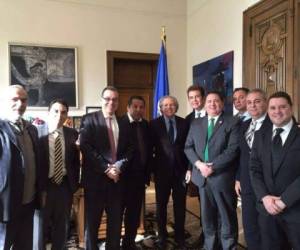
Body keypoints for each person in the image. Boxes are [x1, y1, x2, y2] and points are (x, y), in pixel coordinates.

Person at [80, 86, 133, 250]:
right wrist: (106, 168)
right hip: (95, 181)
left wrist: (118, 167)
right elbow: (86, 147)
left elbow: (130, 149)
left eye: (115, 99)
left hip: (117, 181)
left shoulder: (124, 122)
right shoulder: (89, 119)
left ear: (118, 102)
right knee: (93, 222)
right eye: (108, 99)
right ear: (101, 100)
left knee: (115, 223)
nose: (111, 102)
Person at [185, 91, 239, 250]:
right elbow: (188, 147)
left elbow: (233, 150)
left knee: (226, 217)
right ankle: (210, 246)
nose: (212, 104)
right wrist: (199, 165)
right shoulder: (196, 123)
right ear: (204, 103)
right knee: (207, 217)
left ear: (222, 103)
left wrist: (212, 167)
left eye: (216, 101)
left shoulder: (232, 122)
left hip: (222, 177)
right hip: (202, 177)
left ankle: (228, 246)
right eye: (209, 101)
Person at [250, 91, 300, 250]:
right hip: (267, 211)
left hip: (296, 210)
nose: (277, 111)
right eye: (272, 108)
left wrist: (284, 200)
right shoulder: (259, 135)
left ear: (291, 108)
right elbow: (254, 168)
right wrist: (264, 197)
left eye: (282, 107)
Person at [0, 85, 40, 250]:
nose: (20, 104)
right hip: (5, 206)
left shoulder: (32, 129)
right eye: (15, 99)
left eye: (23, 100)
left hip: (28, 203)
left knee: (25, 246)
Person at [36, 99, 80, 250]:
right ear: (48, 112)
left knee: (62, 227)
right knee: (40, 228)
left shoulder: (72, 134)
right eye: (56, 111)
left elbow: (75, 161)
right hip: (43, 187)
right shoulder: (36, 132)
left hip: (64, 186)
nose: (59, 115)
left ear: (67, 115)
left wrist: (75, 185)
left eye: (63, 112)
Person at [149, 95, 189, 249]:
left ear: (176, 107)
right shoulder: (154, 124)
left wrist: (189, 169)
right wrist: (153, 170)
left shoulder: (184, 123)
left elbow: (188, 146)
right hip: (162, 173)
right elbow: (149, 148)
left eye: (172, 104)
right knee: (161, 206)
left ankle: (180, 237)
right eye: (165, 105)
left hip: (180, 172)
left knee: (180, 206)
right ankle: (162, 236)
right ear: (161, 108)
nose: (169, 107)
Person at [235, 89, 270, 250]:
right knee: (250, 227)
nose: (252, 105)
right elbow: (241, 155)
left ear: (265, 102)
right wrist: (237, 178)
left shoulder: (275, 122)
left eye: (257, 101)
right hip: (247, 185)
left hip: (268, 186)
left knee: (269, 229)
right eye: (249, 102)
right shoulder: (244, 125)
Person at [119, 96, 150, 250]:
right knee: (118, 214)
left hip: (139, 179)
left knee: (133, 214)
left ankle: (129, 243)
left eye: (141, 107)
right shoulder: (119, 123)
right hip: (122, 179)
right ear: (128, 107)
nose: (138, 110)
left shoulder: (145, 125)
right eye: (135, 106)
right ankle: (114, 243)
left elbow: (148, 149)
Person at [185, 84, 206, 247]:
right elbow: (187, 146)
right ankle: (206, 233)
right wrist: (189, 168)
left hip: (216, 170)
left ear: (203, 97)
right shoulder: (188, 119)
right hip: (197, 171)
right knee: (203, 204)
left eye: (197, 96)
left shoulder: (218, 114)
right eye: (191, 97)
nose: (194, 100)